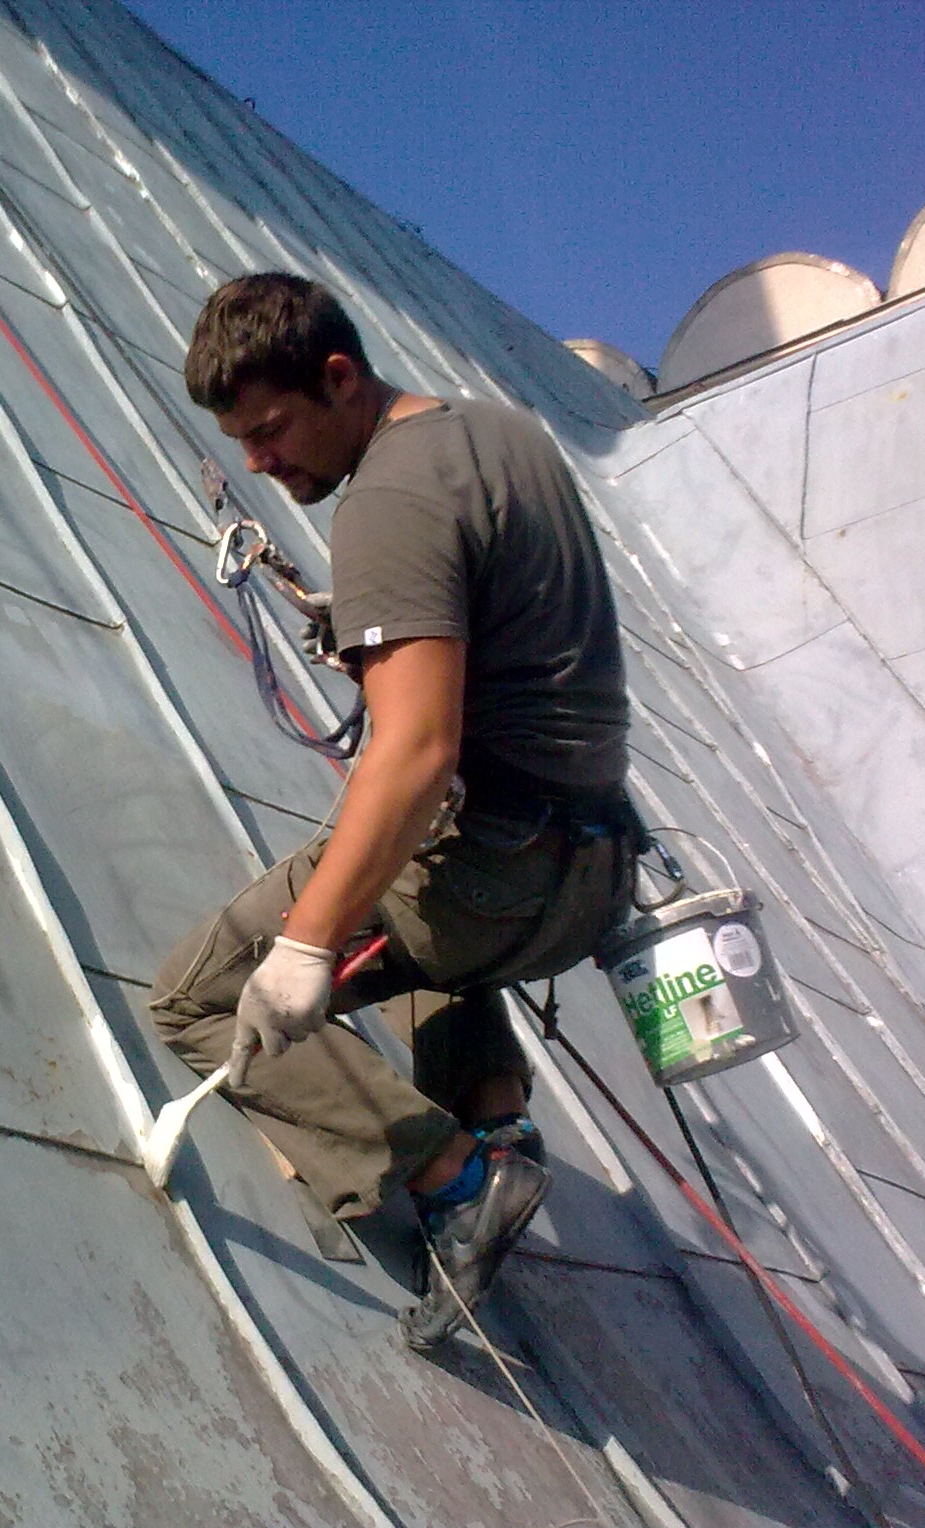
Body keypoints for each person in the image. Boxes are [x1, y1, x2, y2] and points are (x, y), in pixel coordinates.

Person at [150, 273, 635, 1347]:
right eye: (240, 442)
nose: (258, 463)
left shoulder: (387, 499)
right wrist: (375, 621)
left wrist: (305, 946)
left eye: (270, 430)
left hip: (493, 877)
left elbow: (415, 756)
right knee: (411, 930)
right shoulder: (502, 434)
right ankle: (498, 1119)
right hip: (592, 873)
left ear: (339, 378)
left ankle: (458, 1179)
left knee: (195, 996)